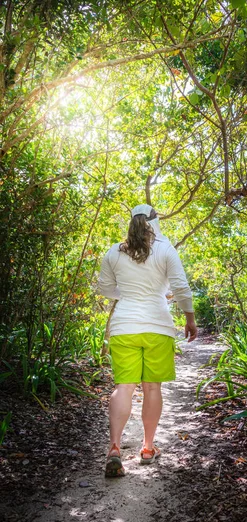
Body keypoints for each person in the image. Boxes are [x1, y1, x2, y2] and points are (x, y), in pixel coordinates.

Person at [97, 204, 197, 477]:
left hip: (124, 327)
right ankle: (147, 447)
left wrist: (128, 295)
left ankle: (114, 448)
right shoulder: (165, 249)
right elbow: (180, 286)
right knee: (152, 387)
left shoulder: (115, 252)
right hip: (157, 327)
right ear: (155, 221)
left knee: (123, 387)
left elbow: (105, 288)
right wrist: (189, 318)